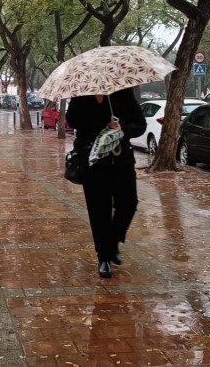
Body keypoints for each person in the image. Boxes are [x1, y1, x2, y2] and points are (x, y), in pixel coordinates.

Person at [65, 87, 146, 279]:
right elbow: (73, 121)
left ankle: (113, 243)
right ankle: (104, 258)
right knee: (99, 210)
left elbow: (140, 124)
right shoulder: (81, 97)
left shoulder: (124, 94)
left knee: (128, 203)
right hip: (93, 163)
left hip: (122, 161)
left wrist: (122, 129)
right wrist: (95, 102)